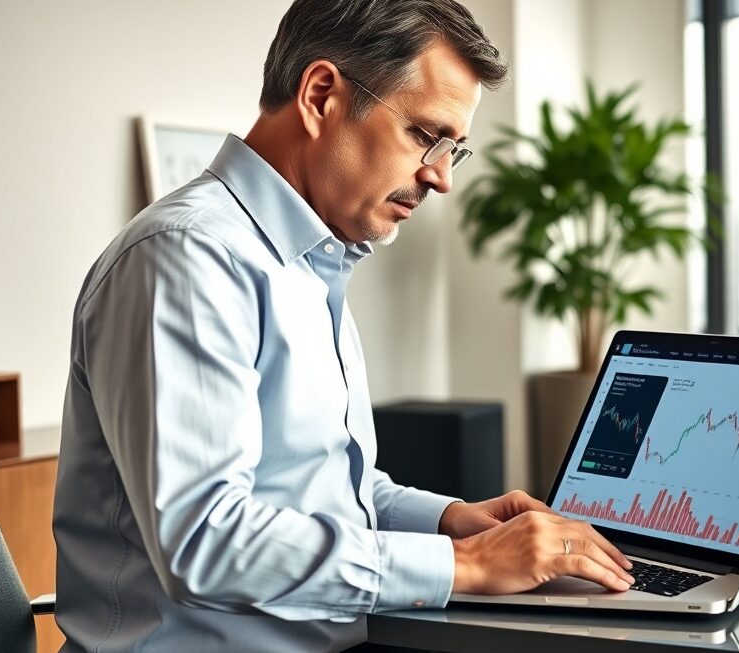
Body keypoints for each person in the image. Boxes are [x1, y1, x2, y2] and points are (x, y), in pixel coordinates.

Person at [53, 1, 634, 651]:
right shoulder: (187, 258)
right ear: (321, 94)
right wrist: (467, 565)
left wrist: (452, 524)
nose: (441, 176)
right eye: (425, 135)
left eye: (453, 150)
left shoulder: (311, 264)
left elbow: (324, 493)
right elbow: (206, 540)